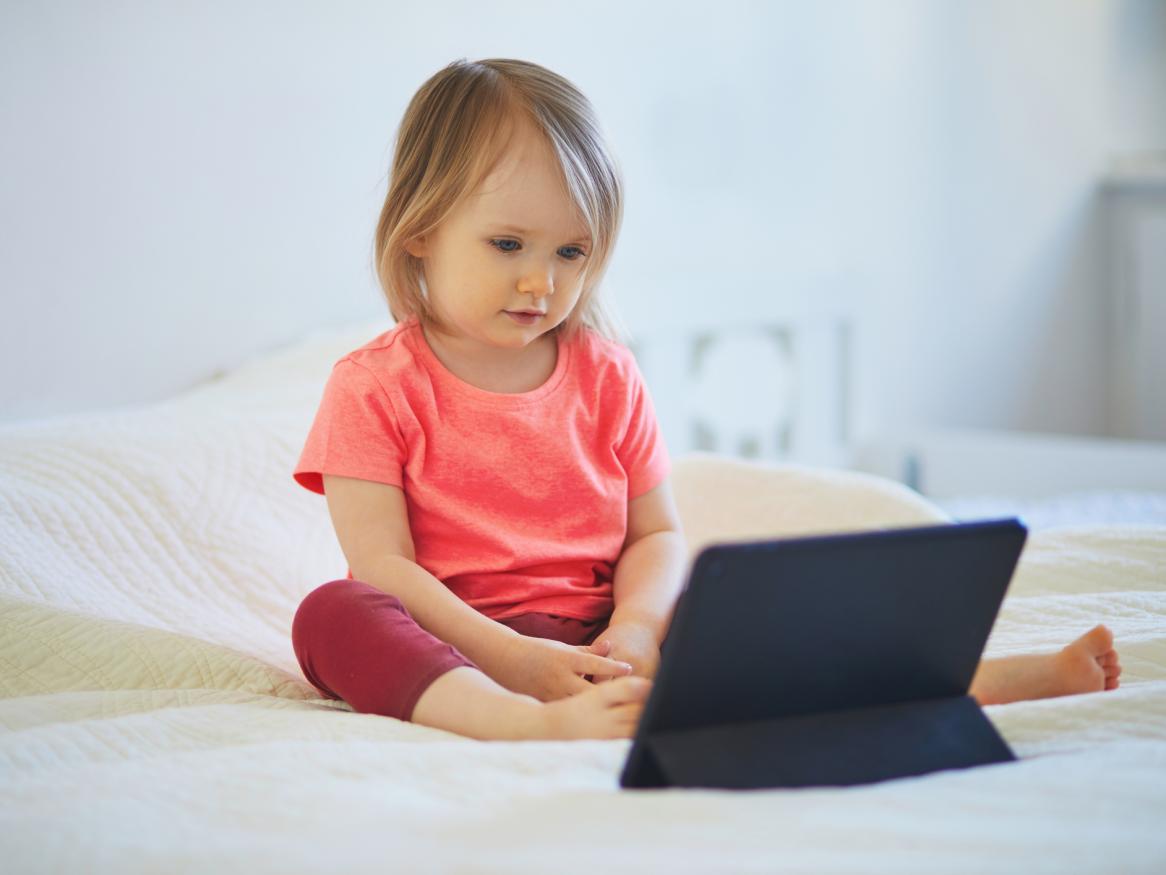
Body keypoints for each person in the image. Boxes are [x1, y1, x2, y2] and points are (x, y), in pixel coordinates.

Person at [290, 57, 1122, 743]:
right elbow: (383, 567)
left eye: (572, 251)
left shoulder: (606, 373)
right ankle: (519, 725)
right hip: (460, 646)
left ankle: (963, 679)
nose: (542, 281)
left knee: (752, 609)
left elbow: (655, 533)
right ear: (421, 231)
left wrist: (640, 628)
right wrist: (513, 662)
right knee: (334, 614)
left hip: (605, 637)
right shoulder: (374, 385)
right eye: (508, 244)